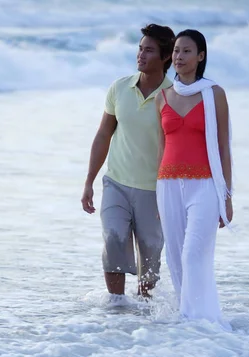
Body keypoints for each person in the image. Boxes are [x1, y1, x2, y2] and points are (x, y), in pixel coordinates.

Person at [81, 24, 175, 298]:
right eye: (140, 48)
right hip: (117, 182)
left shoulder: (174, 96)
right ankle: (117, 307)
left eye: (149, 50)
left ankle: (144, 313)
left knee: (150, 258)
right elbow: (103, 135)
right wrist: (89, 182)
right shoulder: (120, 88)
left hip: (154, 190)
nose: (141, 55)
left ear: (165, 56)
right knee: (114, 240)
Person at [155, 29, 233, 324]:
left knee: (192, 256)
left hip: (205, 186)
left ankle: (205, 321)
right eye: (176, 51)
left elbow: (223, 146)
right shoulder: (162, 98)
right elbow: (161, 148)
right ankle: (189, 324)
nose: (179, 57)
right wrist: (156, 195)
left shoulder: (214, 94)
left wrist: (227, 196)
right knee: (175, 260)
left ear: (200, 56)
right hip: (168, 185)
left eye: (187, 51)